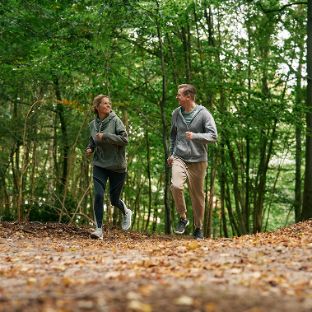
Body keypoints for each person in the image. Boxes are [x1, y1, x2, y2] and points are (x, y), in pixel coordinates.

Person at [167, 84, 217, 240]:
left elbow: (213, 136)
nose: (177, 97)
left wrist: (195, 136)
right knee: (175, 185)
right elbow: (173, 136)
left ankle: (198, 227)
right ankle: (183, 217)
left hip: (198, 160)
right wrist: (171, 153)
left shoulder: (204, 114)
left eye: (179, 95)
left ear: (188, 97)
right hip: (179, 157)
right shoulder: (176, 113)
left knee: (197, 196)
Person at [86, 94, 132, 240]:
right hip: (100, 164)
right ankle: (99, 229)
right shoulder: (92, 124)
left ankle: (125, 211)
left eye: (109, 103)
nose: (108, 105)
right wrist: (90, 148)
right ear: (97, 106)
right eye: (105, 103)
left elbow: (125, 140)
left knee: (113, 200)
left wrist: (106, 136)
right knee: (99, 195)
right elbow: (92, 140)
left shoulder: (116, 121)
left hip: (117, 166)